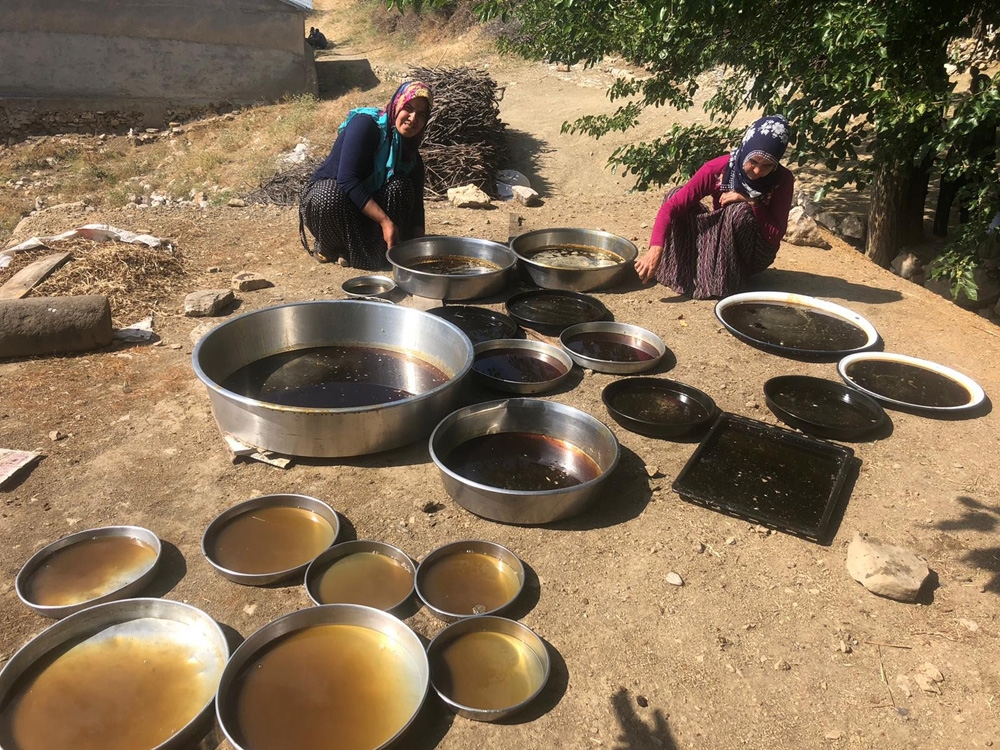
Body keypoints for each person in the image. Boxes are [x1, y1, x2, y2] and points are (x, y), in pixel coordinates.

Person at [634, 114, 794, 299]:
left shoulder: (782, 180)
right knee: (675, 194)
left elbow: (775, 235)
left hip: (753, 252)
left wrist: (752, 201)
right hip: (721, 242)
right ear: (745, 149)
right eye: (753, 161)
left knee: (739, 211)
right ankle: (681, 271)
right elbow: (671, 207)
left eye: (767, 166)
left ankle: (726, 280)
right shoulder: (719, 169)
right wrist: (655, 249)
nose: (757, 171)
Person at [299, 81, 433, 269]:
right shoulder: (367, 125)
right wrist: (385, 222)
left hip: (366, 213)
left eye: (421, 114)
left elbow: (417, 206)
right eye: (408, 108)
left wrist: (422, 248)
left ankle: (372, 252)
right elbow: (347, 179)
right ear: (397, 104)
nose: (413, 118)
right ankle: (332, 247)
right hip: (335, 206)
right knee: (328, 195)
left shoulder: (409, 154)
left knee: (400, 187)